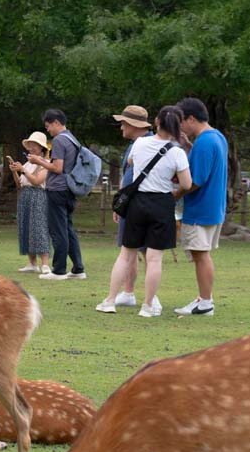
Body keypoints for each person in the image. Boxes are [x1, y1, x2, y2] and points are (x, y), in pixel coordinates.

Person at [97, 106, 191, 318]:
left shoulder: (139, 143)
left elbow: (131, 162)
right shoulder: (177, 151)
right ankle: (148, 306)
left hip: (138, 202)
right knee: (154, 258)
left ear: (156, 122)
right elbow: (186, 183)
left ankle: (110, 300)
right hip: (162, 203)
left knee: (126, 254)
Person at [174, 97, 228, 315]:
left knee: (200, 254)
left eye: (181, 122)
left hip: (201, 208)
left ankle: (206, 303)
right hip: (213, 207)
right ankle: (203, 298)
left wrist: (175, 194)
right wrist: (189, 146)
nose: (180, 127)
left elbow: (196, 180)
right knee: (201, 254)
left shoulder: (205, 142)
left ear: (191, 119)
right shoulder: (216, 137)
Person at [104, 105, 154, 304]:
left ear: (134, 124)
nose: (121, 127)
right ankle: (128, 292)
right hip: (129, 203)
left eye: (124, 123)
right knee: (130, 248)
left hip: (140, 205)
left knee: (147, 251)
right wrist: (120, 203)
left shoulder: (147, 144)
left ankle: (152, 296)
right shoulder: (136, 143)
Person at [36, 109, 86, 280]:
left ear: (56, 122)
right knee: (68, 229)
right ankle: (78, 268)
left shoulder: (59, 140)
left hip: (57, 189)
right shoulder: (72, 139)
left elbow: (57, 168)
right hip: (69, 189)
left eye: (48, 126)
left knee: (58, 231)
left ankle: (58, 270)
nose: (48, 130)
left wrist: (39, 161)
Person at [10, 132, 52, 272]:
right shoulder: (28, 163)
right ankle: (32, 263)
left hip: (39, 196)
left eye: (35, 145)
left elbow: (37, 181)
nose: (32, 148)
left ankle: (45, 264)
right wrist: (15, 171)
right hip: (25, 196)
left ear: (42, 148)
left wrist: (22, 170)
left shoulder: (45, 164)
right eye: (30, 145)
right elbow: (19, 184)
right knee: (25, 227)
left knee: (39, 227)